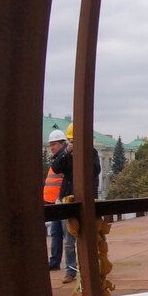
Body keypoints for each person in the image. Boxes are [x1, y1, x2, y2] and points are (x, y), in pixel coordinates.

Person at [50, 122, 102, 284]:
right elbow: (56, 168)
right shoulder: (66, 153)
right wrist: (67, 153)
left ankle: (92, 268)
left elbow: (95, 170)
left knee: (90, 237)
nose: (74, 144)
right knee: (69, 239)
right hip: (68, 199)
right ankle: (71, 271)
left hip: (86, 200)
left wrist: (84, 155)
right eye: (72, 141)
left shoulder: (91, 152)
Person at [44, 129, 67, 270]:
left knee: (65, 235)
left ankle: (70, 265)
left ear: (62, 144)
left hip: (62, 203)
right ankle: (54, 262)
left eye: (54, 144)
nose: (51, 148)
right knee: (55, 233)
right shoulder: (57, 159)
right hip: (54, 203)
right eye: (50, 145)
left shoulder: (63, 160)